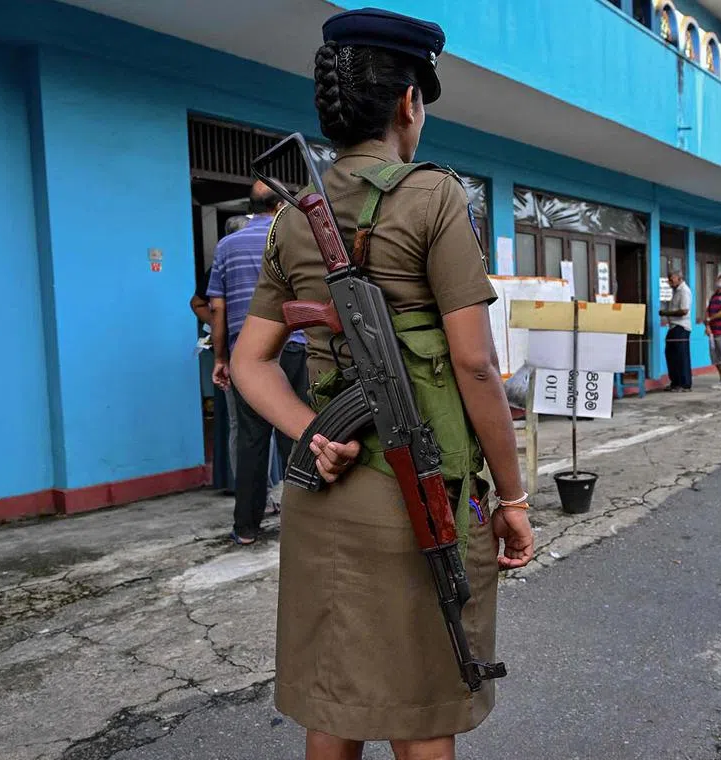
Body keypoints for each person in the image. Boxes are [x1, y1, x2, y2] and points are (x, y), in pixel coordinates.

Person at [229, 8, 535, 759]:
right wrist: (516, 498)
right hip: (419, 487)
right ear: (409, 103)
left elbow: (249, 361)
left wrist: (310, 432)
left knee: (335, 695)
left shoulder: (292, 218)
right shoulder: (433, 196)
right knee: (424, 702)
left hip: (327, 496)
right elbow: (474, 365)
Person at [207, 181, 310, 545]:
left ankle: (246, 528)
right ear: (281, 206)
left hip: (245, 356)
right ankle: (301, 525)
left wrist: (221, 358)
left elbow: (217, 307)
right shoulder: (294, 238)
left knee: (250, 442)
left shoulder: (226, 246)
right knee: (295, 436)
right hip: (294, 347)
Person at [659, 270, 692, 392]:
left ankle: (685, 384)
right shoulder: (676, 291)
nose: (669, 282)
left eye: (671, 279)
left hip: (681, 327)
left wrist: (666, 313)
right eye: (668, 279)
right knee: (671, 355)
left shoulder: (684, 291)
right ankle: (675, 382)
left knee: (681, 356)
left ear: (679, 278)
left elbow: (684, 310)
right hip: (673, 327)